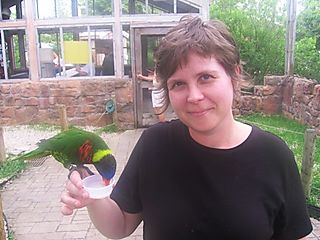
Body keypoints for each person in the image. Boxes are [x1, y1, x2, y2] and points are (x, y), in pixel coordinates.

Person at [60, 16, 312, 239]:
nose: (194, 96)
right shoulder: (155, 145)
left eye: (206, 77)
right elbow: (120, 225)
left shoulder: (273, 155)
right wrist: (91, 195)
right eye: (178, 84)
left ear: (233, 76)